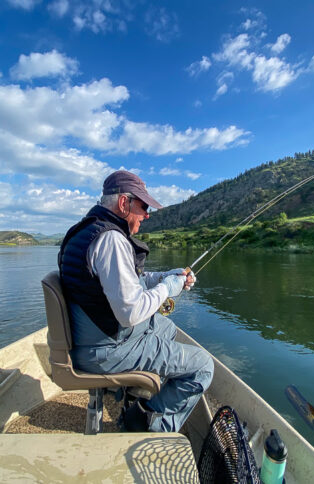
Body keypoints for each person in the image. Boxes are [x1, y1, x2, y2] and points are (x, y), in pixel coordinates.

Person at [58, 170, 214, 432]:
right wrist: (168, 288)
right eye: (143, 206)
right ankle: (146, 423)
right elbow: (130, 313)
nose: (147, 214)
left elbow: (127, 281)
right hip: (105, 351)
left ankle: (136, 391)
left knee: (167, 329)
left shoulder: (88, 231)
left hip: (91, 340)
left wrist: (165, 276)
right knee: (203, 367)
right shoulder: (111, 240)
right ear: (123, 203)